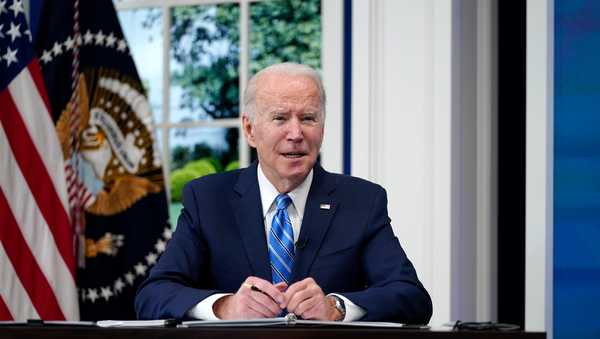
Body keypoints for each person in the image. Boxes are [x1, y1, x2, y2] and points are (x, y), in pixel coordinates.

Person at [134, 62, 432, 323]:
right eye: (280, 118)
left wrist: (336, 308)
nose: (296, 134)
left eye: (308, 118)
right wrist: (225, 307)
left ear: (323, 128)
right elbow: (153, 295)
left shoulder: (362, 202)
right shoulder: (207, 199)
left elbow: (411, 297)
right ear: (250, 130)